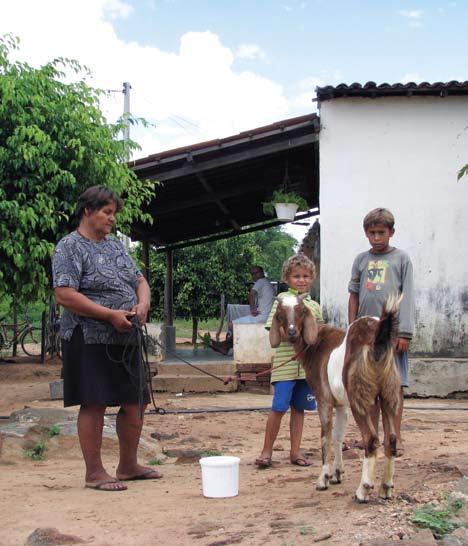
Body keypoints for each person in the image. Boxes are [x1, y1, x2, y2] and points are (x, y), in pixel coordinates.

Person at [52, 185, 162, 491]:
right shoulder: (68, 247)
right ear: (88, 211)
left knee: (134, 402)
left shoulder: (115, 246)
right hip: (88, 337)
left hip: (125, 337)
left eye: (114, 213)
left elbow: (139, 280)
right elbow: (65, 294)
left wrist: (142, 303)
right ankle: (95, 473)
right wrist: (109, 314)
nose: (112, 219)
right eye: (107, 212)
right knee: (94, 403)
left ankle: (128, 465)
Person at [348, 207, 415, 454]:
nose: (376, 238)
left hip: (391, 333)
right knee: (368, 386)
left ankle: (393, 438)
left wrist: (404, 332)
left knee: (393, 387)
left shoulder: (401, 259)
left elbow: (407, 296)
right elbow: (353, 294)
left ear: (391, 232)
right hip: (365, 333)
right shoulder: (361, 260)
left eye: (381, 233)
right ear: (366, 233)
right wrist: (352, 329)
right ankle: (370, 435)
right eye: (372, 233)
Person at [255, 253, 323, 468]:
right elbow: (276, 331)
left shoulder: (314, 306)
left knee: (299, 408)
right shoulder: (282, 302)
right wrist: (294, 333)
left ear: (311, 278)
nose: (301, 280)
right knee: (279, 406)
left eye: (305, 276)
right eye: (296, 276)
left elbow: (317, 333)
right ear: (287, 278)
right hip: (285, 366)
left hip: (306, 369)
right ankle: (266, 451)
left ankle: (295, 452)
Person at [212, 266, 275, 354]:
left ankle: (224, 346)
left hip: (262, 317)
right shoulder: (267, 283)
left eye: (256, 273)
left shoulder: (261, 281)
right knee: (237, 325)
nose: (254, 276)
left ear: (262, 273)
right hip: (266, 316)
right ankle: (224, 346)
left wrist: (252, 309)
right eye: (252, 274)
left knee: (231, 325)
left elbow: (251, 295)